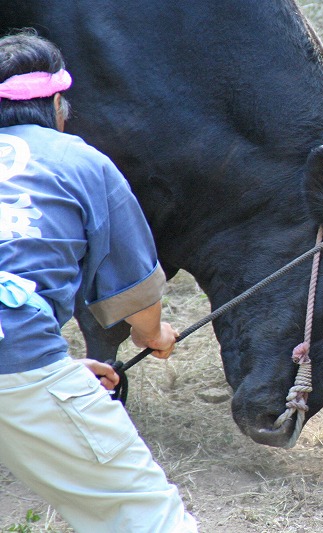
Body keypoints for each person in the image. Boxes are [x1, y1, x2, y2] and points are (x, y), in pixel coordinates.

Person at [0, 31, 197, 532]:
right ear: (57, 105)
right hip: (17, 357)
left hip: (22, 361)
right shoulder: (83, 163)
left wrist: (57, 371)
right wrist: (152, 336)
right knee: (154, 519)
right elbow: (139, 296)